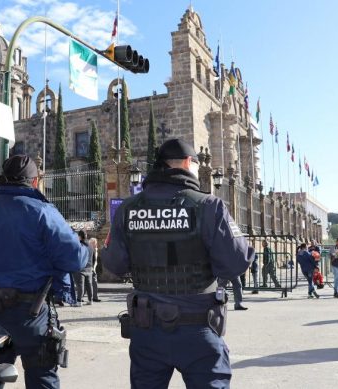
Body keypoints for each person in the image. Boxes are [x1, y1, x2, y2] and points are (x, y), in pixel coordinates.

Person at [105, 138, 254, 388]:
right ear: (188, 163)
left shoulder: (128, 209)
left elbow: (115, 264)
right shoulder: (208, 205)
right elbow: (236, 262)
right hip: (198, 327)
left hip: (147, 329)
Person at [0, 155, 88, 388]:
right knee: (41, 377)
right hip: (31, 313)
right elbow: (74, 259)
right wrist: (85, 249)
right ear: (34, 182)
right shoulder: (42, 212)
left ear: (1, 181)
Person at [75, 230, 94, 306]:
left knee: (80, 285)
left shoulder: (79, 245)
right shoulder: (90, 246)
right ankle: (90, 300)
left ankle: (79, 301)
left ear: (79, 236)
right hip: (89, 267)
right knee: (89, 285)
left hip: (80, 267)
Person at [89, 237, 101, 302]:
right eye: (94, 243)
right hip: (87, 269)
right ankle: (80, 297)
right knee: (86, 284)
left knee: (94, 283)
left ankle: (95, 297)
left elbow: (95, 261)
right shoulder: (87, 249)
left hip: (92, 269)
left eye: (95, 243)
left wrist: (94, 268)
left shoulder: (95, 250)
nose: (96, 244)